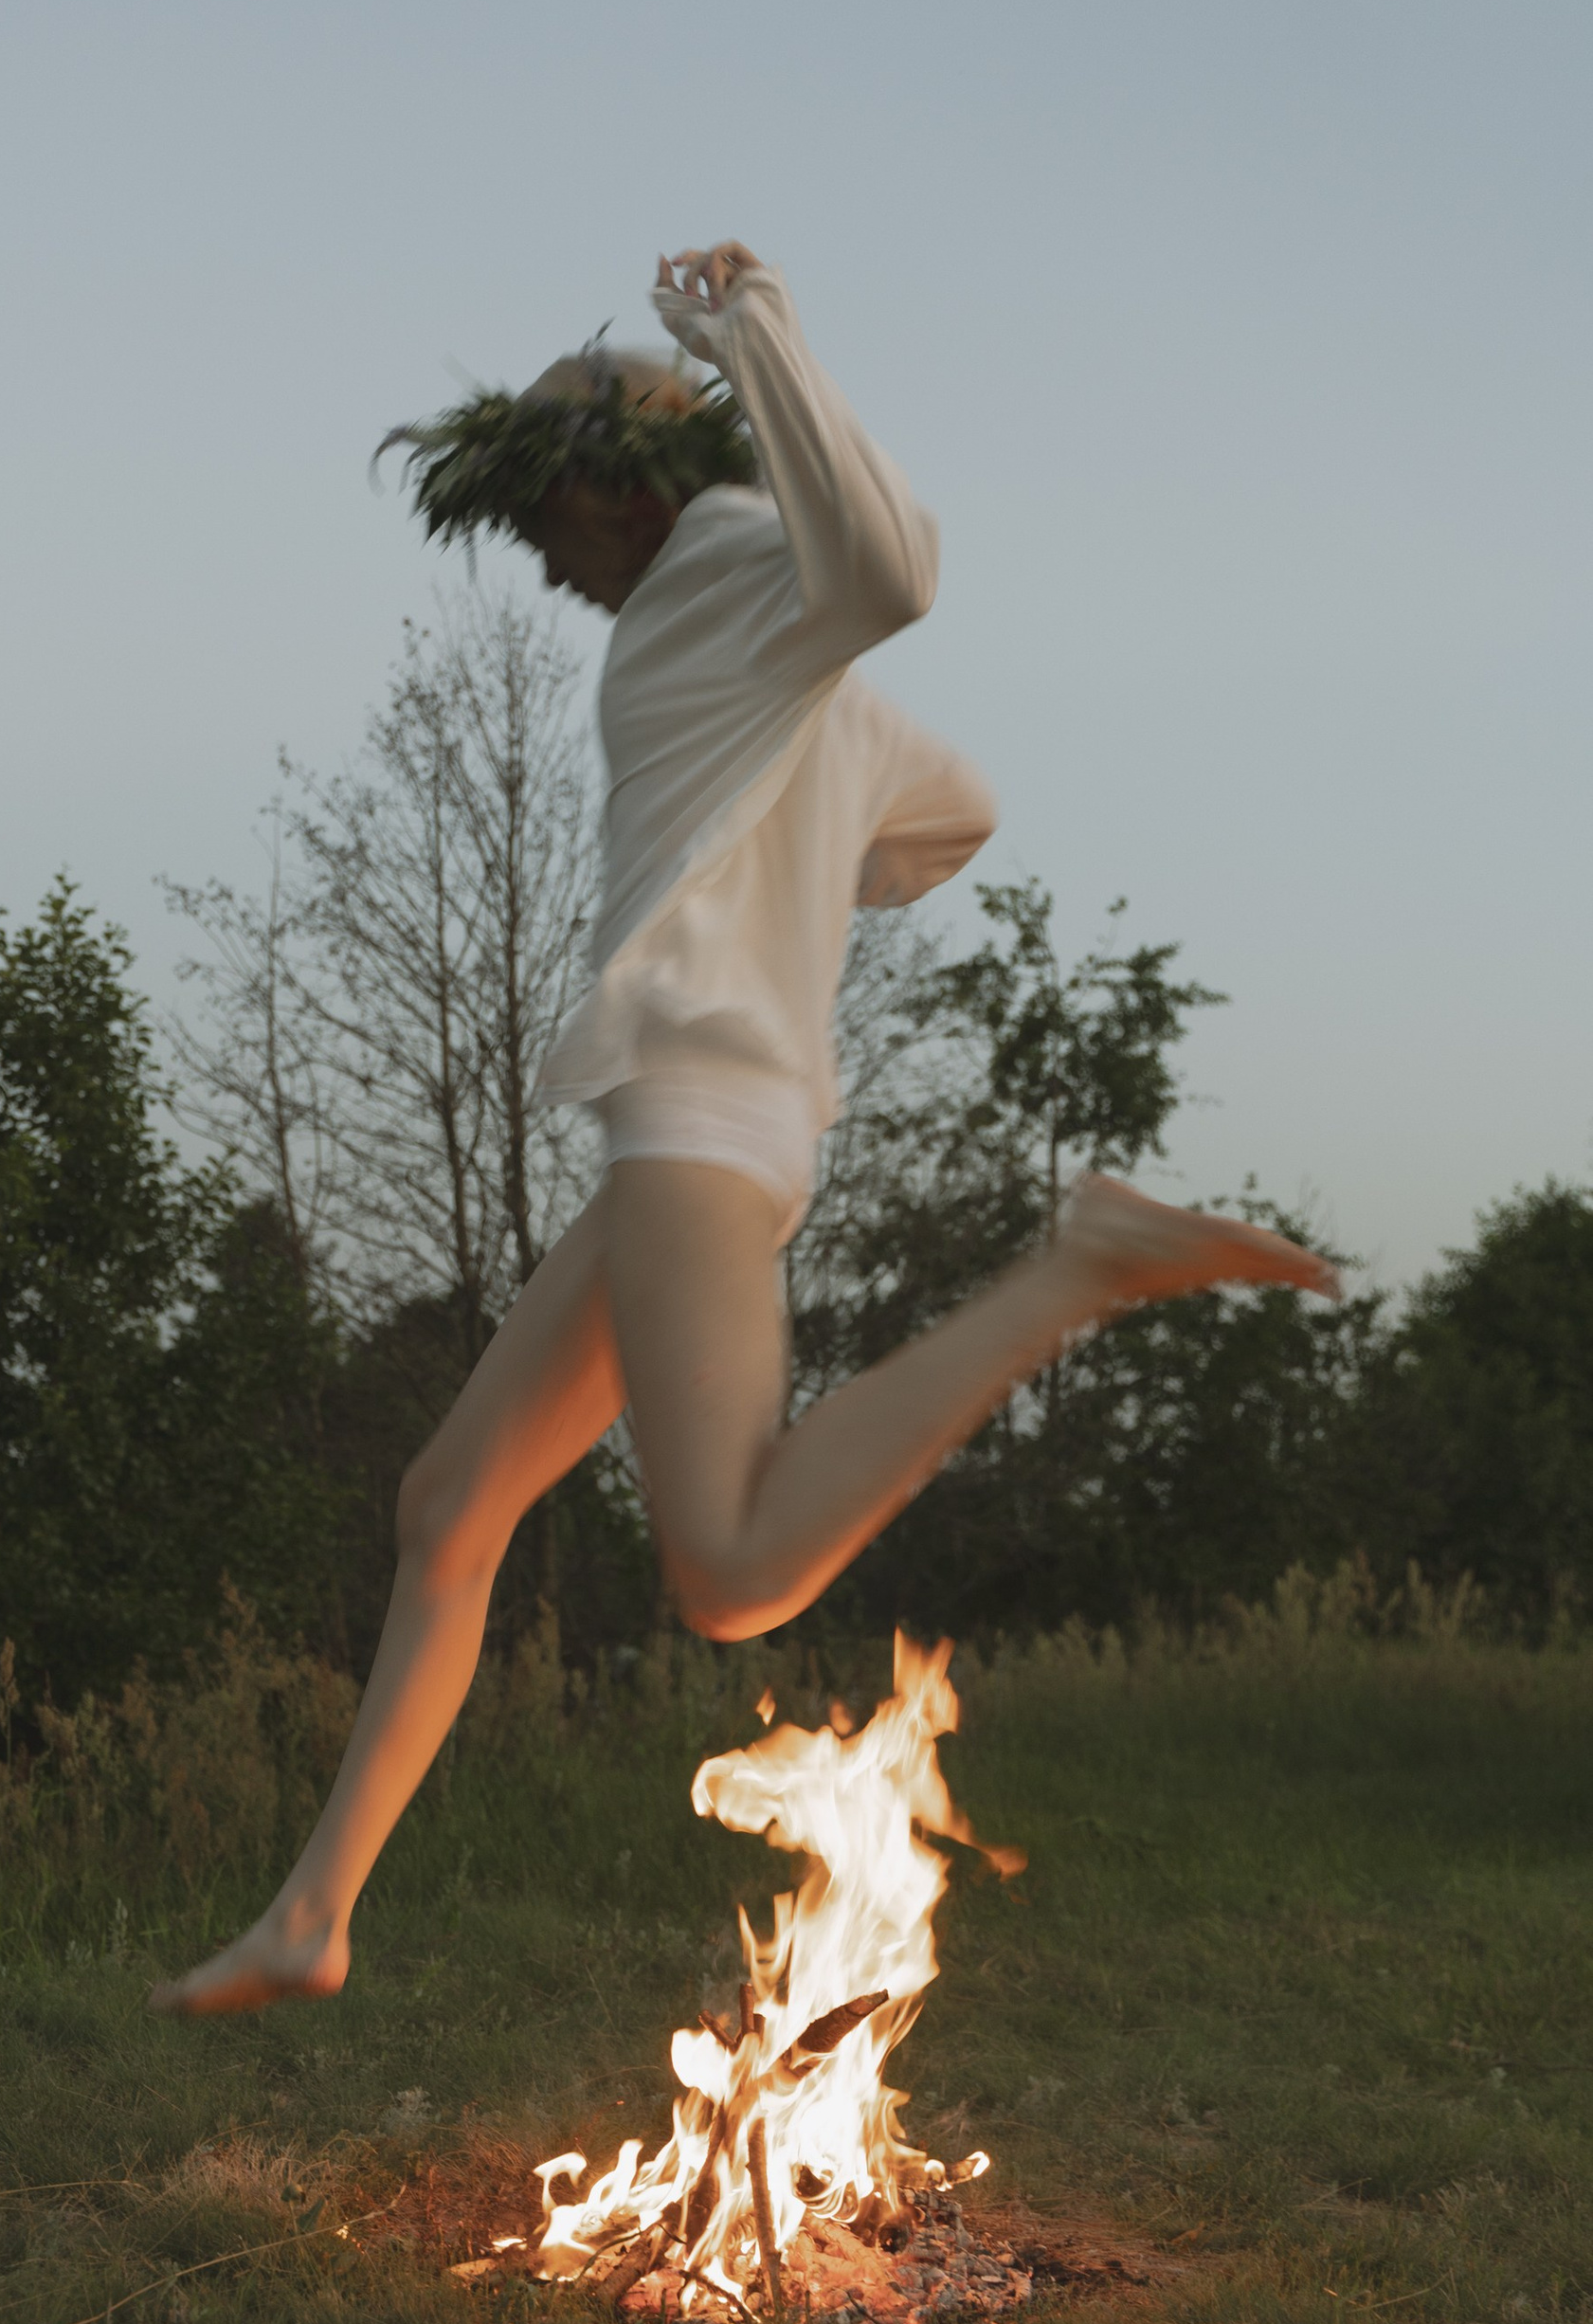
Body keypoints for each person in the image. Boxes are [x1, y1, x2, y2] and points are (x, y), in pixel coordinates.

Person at [153, 239, 1334, 2016]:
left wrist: (756, 339)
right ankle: (314, 1914)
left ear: (624, 492)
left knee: (728, 1573)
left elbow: (894, 568)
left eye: (548, 519)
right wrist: (811, 831)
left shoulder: (709, 569)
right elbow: (962, 808)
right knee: (449, 1503)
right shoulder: (791, 673)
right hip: (681, 1132)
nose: (544, 566)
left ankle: (1073, 1271)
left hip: (704, 1123)